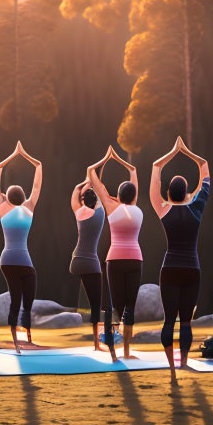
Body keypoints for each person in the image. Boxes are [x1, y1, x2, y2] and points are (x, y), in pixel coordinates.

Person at [150, 137, 211, 383]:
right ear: (187, 192)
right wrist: (188, 152)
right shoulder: (196, 208)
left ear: (168, 193)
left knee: (169, 321)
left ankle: (171, 368)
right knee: (186, 321)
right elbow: (205, 171)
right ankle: (184, 362)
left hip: (170, 269)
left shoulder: (163, 208)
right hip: (192, 270)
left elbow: (155, 169)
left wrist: (171, 153)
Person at [87, 146, 142, 360]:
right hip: (135, 260)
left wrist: (106, 158)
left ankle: (114, 354)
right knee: (129, 308)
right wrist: (125, 163)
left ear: (118, 195)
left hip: (115, 260)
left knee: (115, 308)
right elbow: (134, 176)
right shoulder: (136, 208)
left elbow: (93, 178)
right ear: (133, 195)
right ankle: (126, 352)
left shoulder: (111, 206)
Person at [0, 142, 42, 353]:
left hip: (10, 261)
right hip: (20, 260)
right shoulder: (27, 208)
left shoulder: (4, 208)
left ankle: (20, 341)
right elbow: (38, 177)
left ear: (8, 196)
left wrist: (9, 158)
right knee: (25, 300)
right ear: (21, 196)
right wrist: (26, 156)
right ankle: (22, 340)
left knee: (18, 300)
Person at [69, 178, 106, 351]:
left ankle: (92, 342)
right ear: (96, 201)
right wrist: (93, 182)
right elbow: (99, 198)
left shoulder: (79, 214)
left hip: (76, 261)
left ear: (84, 201)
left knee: (84, 300)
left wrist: (82, 184)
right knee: (95, 305)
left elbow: (74, 199)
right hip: (91, 263)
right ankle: (96, 344)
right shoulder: (99, 215)